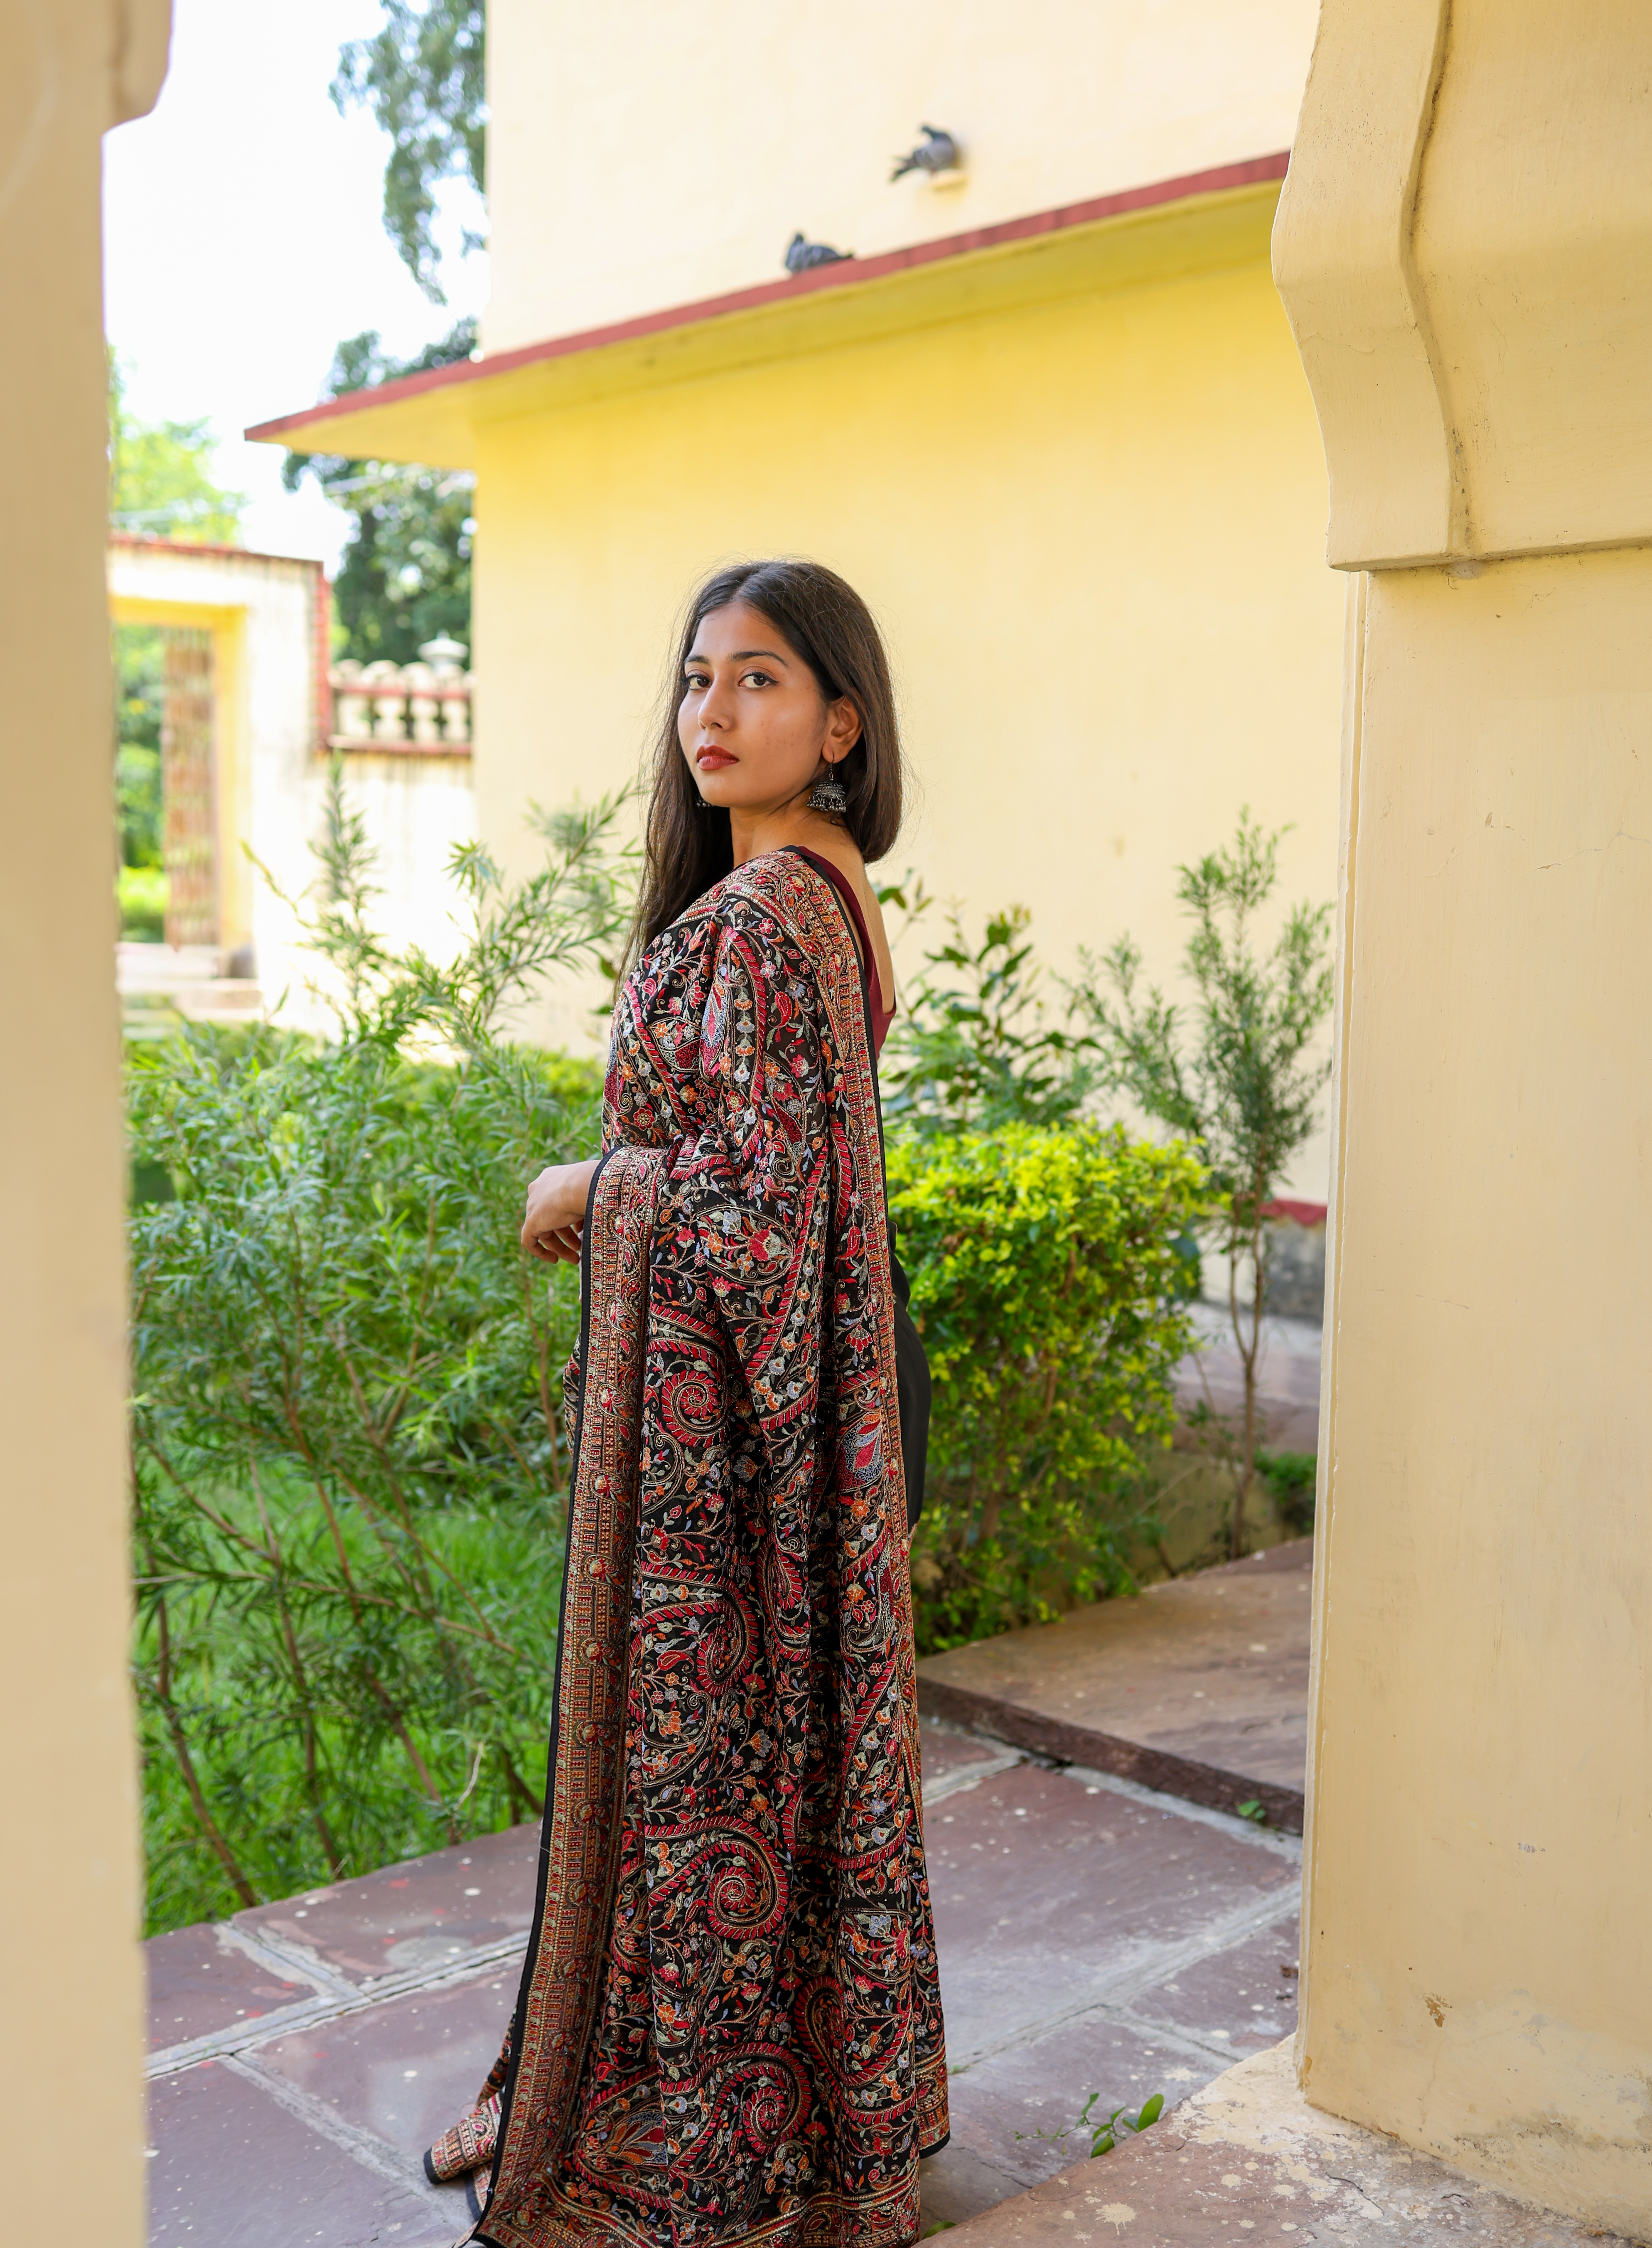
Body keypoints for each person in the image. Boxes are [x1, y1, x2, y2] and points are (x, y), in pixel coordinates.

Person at [425, 559, 948, 2247]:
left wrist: (586, 1182)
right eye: (696, 678)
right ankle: (616, 2087)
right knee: (768, 1762)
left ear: (840, 721)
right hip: (789, 1410)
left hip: (721, 1447)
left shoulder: (763, 918)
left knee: (695, 1773)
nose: (713, 714)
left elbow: (747, 1206)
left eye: (761, 682)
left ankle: (633, 2115)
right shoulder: (831, 895)